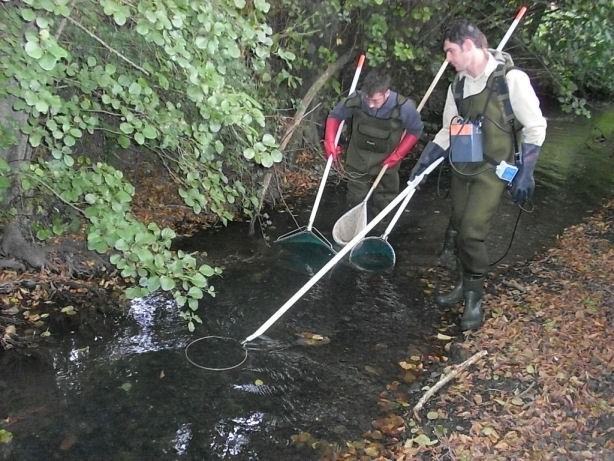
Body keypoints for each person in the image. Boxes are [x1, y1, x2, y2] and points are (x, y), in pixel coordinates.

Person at [409, 19, 547, 331]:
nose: (448, 58)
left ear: (469, 46)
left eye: (450, 51)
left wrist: (526, 170)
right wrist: (424, 162)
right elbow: (448, 129)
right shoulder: (457, 85)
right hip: (462, 165)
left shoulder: (510, 80)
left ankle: (475, 298)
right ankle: (462, 284)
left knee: (472, 231)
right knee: (458, 226)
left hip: (493, 171)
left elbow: (535, 126)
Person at [323, 68, 423, 214]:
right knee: (355, 197)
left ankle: (381, 228)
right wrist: (330, 141)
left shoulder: (404, 107)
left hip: (387, 160)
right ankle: (352, 227)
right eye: (367, 99)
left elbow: (415, 130)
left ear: (386, 93)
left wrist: (398, 155)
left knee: (385, 200)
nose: (370, 105)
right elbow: (335, 116)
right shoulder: (357, 99)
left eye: (375, 101)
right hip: (358, 157)